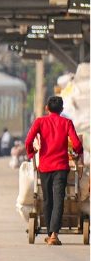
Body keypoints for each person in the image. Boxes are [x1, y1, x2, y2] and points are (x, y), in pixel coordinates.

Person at [24, 95, 84, 245]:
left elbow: (28, 140)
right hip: (61, 167)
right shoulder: (67, 123)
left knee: (47, 199)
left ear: (46, 108)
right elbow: (76, 144)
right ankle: (53, 235)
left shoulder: (40, 122)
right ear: (62, 109)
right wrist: (78, 153)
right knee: (58, 199)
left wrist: (31, 152)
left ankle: (51, 233)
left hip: (45, 167)